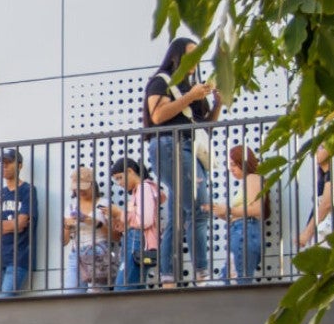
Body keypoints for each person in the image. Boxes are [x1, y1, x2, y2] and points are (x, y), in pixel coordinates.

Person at [144, 37, 222, 286]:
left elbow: (203, 127)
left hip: (190, 146)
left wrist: (218, 102)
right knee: (200, 209)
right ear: (176, 56)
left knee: (179, 214)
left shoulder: (193, 88)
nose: (195, 61)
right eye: (190, 55)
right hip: (170, 144)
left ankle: (168, 277)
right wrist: (189, 96)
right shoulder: (162, 81)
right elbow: (157, 116)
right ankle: (202, 273)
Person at [211, 145, 266, 284]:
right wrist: (222, 213)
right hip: (241, 230)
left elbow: (257, 209)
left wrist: (229, 210)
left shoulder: (252, 178)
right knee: (230, 277)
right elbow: (241, 214)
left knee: (238, 279)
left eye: (234, 164)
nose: (231, 169)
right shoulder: (248, 181)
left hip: (245, 232)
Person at [0, 149, 38, 297]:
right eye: (2, 163)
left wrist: (0, 224)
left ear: (20, 165)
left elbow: (22, 223)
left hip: (19, 257)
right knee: (2, 303)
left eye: (9, 163)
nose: (4, 166)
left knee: (3, 299)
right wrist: (10, 226)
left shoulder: (27, 190)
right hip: (0, 259)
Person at [62, 167, 120, 292]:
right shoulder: (71, 207)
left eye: (84, 187)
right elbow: (64, 241)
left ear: (93, 185)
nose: (80, 191)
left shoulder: (104, 204)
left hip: (99, 253)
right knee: (71, 297)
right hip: (76, 254)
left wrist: (95, 223)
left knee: (99, 299)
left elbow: (117, 236)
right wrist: (67, 226)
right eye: (77, 188)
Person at [110, 158, 161, 290]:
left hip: (138, 244)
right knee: (134, 288)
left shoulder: (144, 188)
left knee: (122, 288)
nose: (119, 183)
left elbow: (145, 221)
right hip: (137, 243)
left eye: (120, 178)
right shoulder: (140, 190)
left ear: (130, 171)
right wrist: (125, 225)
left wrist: (120, 213)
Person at [297, 145, 334, 248]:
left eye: (321, 147)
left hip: (331, 234)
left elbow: (326, 204)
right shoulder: (328, 175)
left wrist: (307, 233)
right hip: (327, 234)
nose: (316, 150)